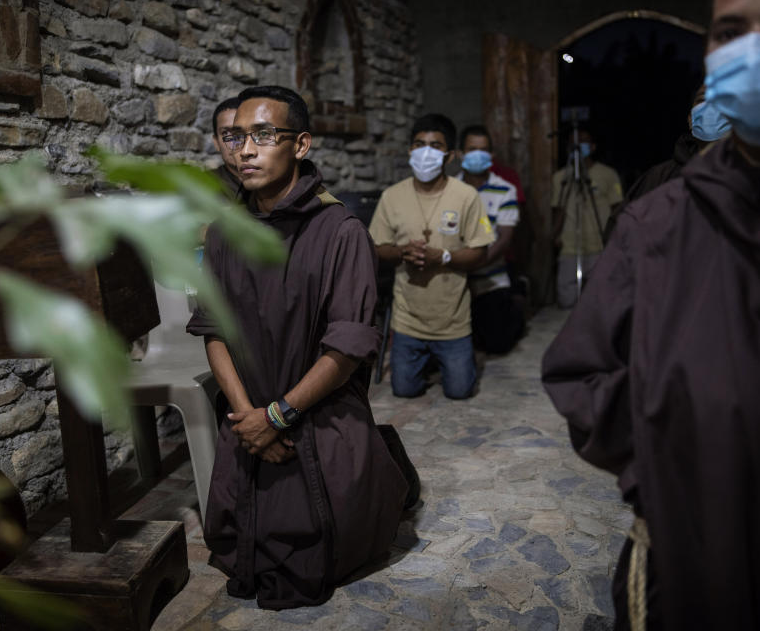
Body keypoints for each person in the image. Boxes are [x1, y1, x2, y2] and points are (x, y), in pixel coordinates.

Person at [541, 0, 760, 628]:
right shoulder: (657, 217)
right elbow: (580, 371)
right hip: (694, 538)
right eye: (730, 31)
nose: (757, 48)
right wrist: (662, 463)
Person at [187, 86, 408, 609]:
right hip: (249, 417)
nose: (246, 149)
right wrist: (247, 417)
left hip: (315, 410)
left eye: (264, 135)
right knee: (237, 543)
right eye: (236, 137)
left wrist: (279, 416)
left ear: (301, 145)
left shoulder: (341, 230)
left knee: (307, 553)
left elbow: (347, 347)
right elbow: (213, 330)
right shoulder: (222, 234)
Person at [369, 113, 494, 399]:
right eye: (419, 144)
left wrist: (444, 257)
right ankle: (423, 363)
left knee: (460, 391)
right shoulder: (392, 196)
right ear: (410, 151)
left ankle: (447, 362)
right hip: (407, 319)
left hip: (452, 321)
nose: (426, 151)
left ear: (449, 156)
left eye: (435, 146)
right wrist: (402, 252)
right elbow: (376, 247)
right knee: (404, 390)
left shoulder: (466, 196)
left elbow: (481, 252)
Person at [603, 85, 732, 241]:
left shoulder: (755, 176)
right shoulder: (659, 178)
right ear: (691, 120)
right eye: (702, 100)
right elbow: (618, 232)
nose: (710, 107)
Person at [456, 124, 525, 354]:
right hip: (455, 279)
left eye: (483, 150)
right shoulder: (449, 189)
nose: (478, 155)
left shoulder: (504, 189)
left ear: (492, 155)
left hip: (491, 279)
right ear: (460, 154)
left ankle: (516, 304)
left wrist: (475, 262)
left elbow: (504, 238)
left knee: (497, 344)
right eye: (472, 149)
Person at [549, 129, 623, 308]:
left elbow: (617, 208)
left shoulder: (608, 174)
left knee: (601, 299)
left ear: (593, 146)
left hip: (599, 243)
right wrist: (555, 235)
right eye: (573, 143)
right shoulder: (560, 177)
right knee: (567, 300)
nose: (578, 147)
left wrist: (617, 238)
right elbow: (558, 209)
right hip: (570, 245)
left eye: (583, 142)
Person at [210, 96, 242, 196]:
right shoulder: (204, 186)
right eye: (226, 133)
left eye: (240, 132)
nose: (235, 141)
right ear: (216, 142)